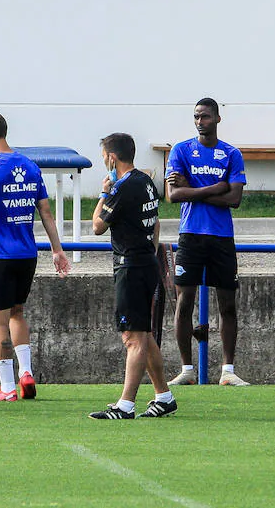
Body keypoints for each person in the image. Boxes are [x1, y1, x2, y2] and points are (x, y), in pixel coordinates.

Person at [0, 110, 72, 402]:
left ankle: (7, 387)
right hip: (27, 255)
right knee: (17, 313)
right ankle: (26, 372)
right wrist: (57, 250)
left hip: (0, 256)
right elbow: (45, 212)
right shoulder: (30, 166)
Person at [88, 133, 178, 419]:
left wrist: (104, 193)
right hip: (144, 263)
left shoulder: (123, 187)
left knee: (132, 337)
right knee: (144, 334)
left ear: (112, 157)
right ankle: (164, 396)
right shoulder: (146, 181)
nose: (104, 161)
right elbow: (157, 224)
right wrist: (149, 254)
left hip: (131, 267)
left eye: (104, 156)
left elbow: (97, 227)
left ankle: (125, 404)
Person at [166, 98, 249, 387]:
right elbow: (174, 196)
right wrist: (215, 187)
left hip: (222, 237)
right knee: (184, 301)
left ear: (217, 119)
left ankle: (228, 370)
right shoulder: (181, 151)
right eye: (196, 117)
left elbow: (234, 199)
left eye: (205, 117)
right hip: (190, 234)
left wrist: (192, 187)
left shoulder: (231, 154)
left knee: (227, 304)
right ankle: (187, 369)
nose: (200, 121)